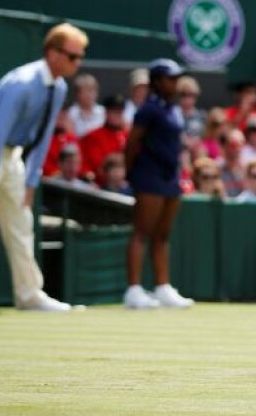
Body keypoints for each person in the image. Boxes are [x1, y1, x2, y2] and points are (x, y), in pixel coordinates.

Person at [0, 23, 85, 314]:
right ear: (52, 53)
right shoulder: (23, 83)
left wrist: (30, 182)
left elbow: (44, 134)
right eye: (72, 56)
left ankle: (29, 294)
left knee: (22, 223)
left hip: (11, 154)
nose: (77, 62)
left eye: (80, 57)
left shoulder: (59, 88)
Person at [123, 59, 194, 310]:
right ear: (156, 81)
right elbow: (132, 144)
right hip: (148, 176)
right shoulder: (148, 109)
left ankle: (163, 287)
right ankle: (133, 290)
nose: (175, 83)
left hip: (170, 178)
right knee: (141, 232)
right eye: (170, 78)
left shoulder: (173, 109)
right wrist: (131, 174)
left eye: (177, 78)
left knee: (162, 235)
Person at [79, 95, 128, 184]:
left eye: (120, 112)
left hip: (124, 185)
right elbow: (95, 167)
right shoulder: (93, 136)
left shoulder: (126, 136)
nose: (118, 115)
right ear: (106, 113)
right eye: (114, 112)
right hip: (98, 185)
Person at [66, 73, 104, 138]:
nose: (89, 95)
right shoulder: (70, 113)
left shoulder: (103, 112)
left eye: (91, 91)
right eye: (85, 91)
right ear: (78, 94)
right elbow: (70, 136)